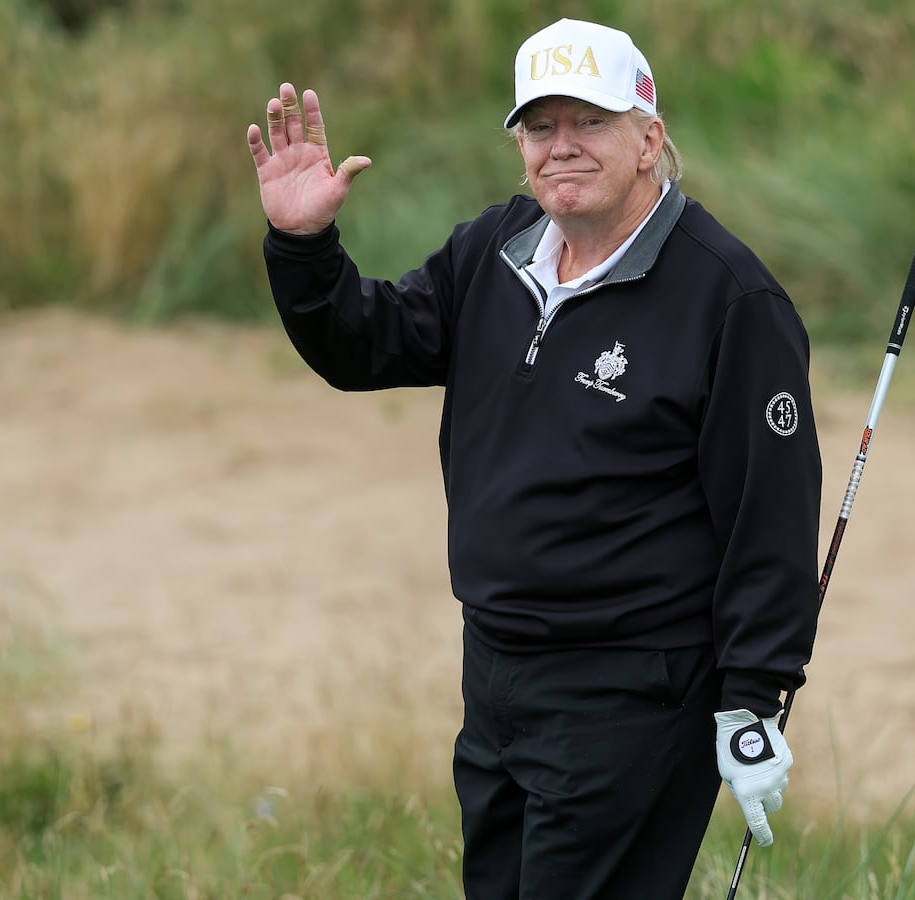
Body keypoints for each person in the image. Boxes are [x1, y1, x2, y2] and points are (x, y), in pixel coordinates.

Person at [246, 17, 823, 899]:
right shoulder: (496, 248)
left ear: (649, 139)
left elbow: (769, 514)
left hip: (634, 684)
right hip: (497, 667)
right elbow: (366, 344)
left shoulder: (729, 296)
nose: (562, 146)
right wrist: (302, 247)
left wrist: (754, 696)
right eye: (539, 126)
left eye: (590, 122)